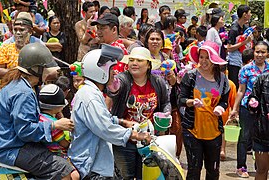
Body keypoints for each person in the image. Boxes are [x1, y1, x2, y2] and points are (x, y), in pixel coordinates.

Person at [68, 44, 151, 179]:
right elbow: (105, 128)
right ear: (99, 71)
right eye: (111, 69)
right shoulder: (90, 96)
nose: (115, 73)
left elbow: (103, 118)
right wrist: (136, 135)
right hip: (90, 166)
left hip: (97, 163)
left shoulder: (93, 92)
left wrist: (122, 121)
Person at [0, 43, 75, 179]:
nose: (50, 71)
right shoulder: (24, 93)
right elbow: (25, 130)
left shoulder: (18, 84)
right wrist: (55, 125)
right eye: (46, 67)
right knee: (65, 170)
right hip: (12, 149)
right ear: (36, 69)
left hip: (9, 144)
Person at [107, 47, 171, 179]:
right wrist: (112, 85)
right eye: (131, 60)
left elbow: (165, 102)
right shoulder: (122, 80)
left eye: (139, 60)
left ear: (148, 65)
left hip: (149, 139)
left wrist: (165, 114)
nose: (134, 63)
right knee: (125, 177)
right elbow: (113, 90)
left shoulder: (157, 82)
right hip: (125, 139)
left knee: (147, 176)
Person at [179, 41, 230, 180]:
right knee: (194, 169)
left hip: (214, 131)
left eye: (207, 57)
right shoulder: (190, 76)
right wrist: (191, 102)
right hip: (192, 130)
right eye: (201, 57)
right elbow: (180, 100)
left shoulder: (223, 79)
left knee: (213, 170)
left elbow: (225, 101)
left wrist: (220, 107)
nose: (203, 61)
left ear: (214, 60)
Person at [230, 41, 269, 178]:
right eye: (257, 51)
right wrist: (234, 109)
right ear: (253, 52)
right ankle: (241, 166)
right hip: (247, 107)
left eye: (263, 52)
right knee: (245, 137)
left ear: (267, 54)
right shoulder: (246, 69)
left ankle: (261, 167)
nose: (259, 55)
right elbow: (241, 90)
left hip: (265, 111)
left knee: (262, 138)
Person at [38, 84, 80, 180]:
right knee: (75, 175)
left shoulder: (40, 117)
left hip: (44, 152)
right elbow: (64, 143)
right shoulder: (55, 124)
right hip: (56, 154)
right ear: (56, 107)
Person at [0, 12, 42, 78]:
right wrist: (20, 74)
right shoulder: (5, 48)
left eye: (21, 30)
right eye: (15, 30)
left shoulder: (37, 48)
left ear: (30, 32)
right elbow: (0, 71)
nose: (18, 33)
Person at [248, 72, 269, 180]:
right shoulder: (262, 79)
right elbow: (253, 98)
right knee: (261, 169)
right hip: (262, 133)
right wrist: (252, 103)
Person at [227, 5, 252, 89]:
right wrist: (244, 42)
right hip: (234, 62)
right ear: (244, 14)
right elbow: (229, 47)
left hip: (243, 61)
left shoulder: (246, 27)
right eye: (250, 13)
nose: (251, 14)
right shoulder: (234, 29)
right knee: (235, 86)